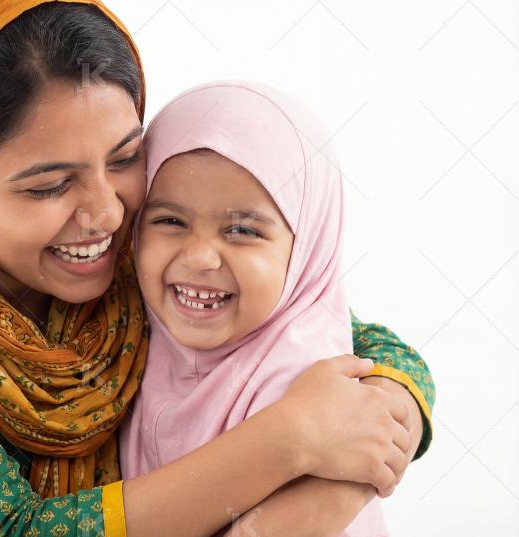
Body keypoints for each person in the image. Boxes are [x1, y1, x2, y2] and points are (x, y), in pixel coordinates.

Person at [0, 2, 434, 536]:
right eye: (47, 185)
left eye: (124, 157)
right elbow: (8, 531)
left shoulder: (133, 259)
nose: (105, 212)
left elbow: (323, 323)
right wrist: (290, 440)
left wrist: (367, 441)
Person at [120, 80, 421, 536]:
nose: (199, 257)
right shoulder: (132, 330)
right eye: (169, 221)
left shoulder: (314, 391)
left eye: (242, 230)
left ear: (308, 249)